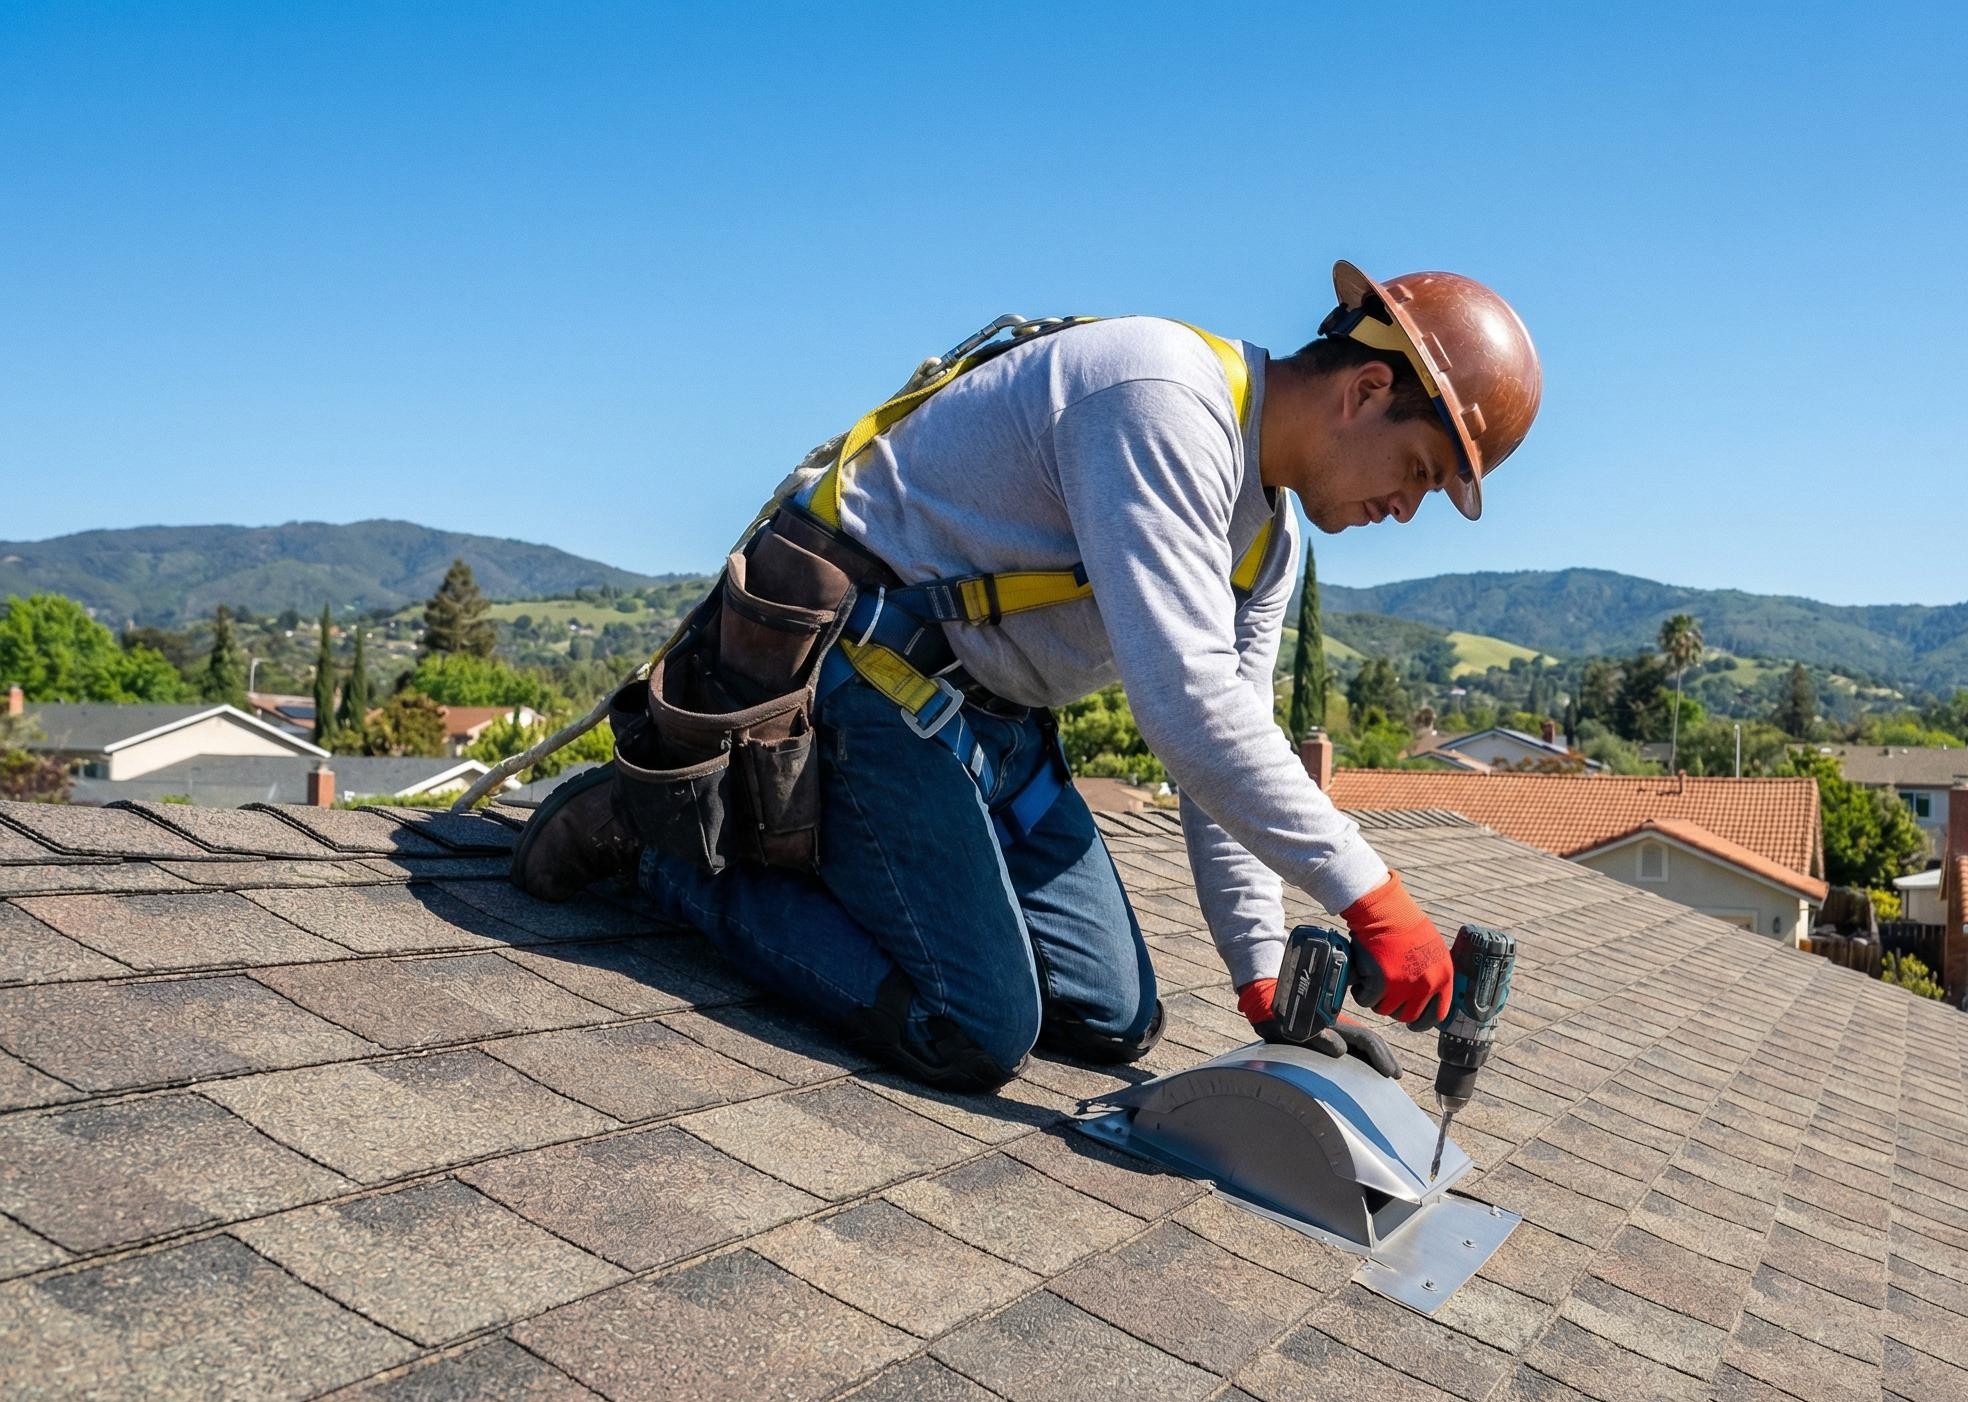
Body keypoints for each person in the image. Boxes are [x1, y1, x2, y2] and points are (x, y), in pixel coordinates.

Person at [510, 262, 1541, 1090]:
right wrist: (1371, 895)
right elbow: (1183, 703)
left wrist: (1262, 975)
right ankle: (667, 857)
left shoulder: (1267, 545)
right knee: (973, 1029)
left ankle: (848, 863)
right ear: (1367, 390)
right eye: (1417, 472)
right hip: (865, 684)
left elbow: (1228, 752)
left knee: (1112, 1021)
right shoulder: (1161, 398)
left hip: (998, 733)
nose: (1404, 511)